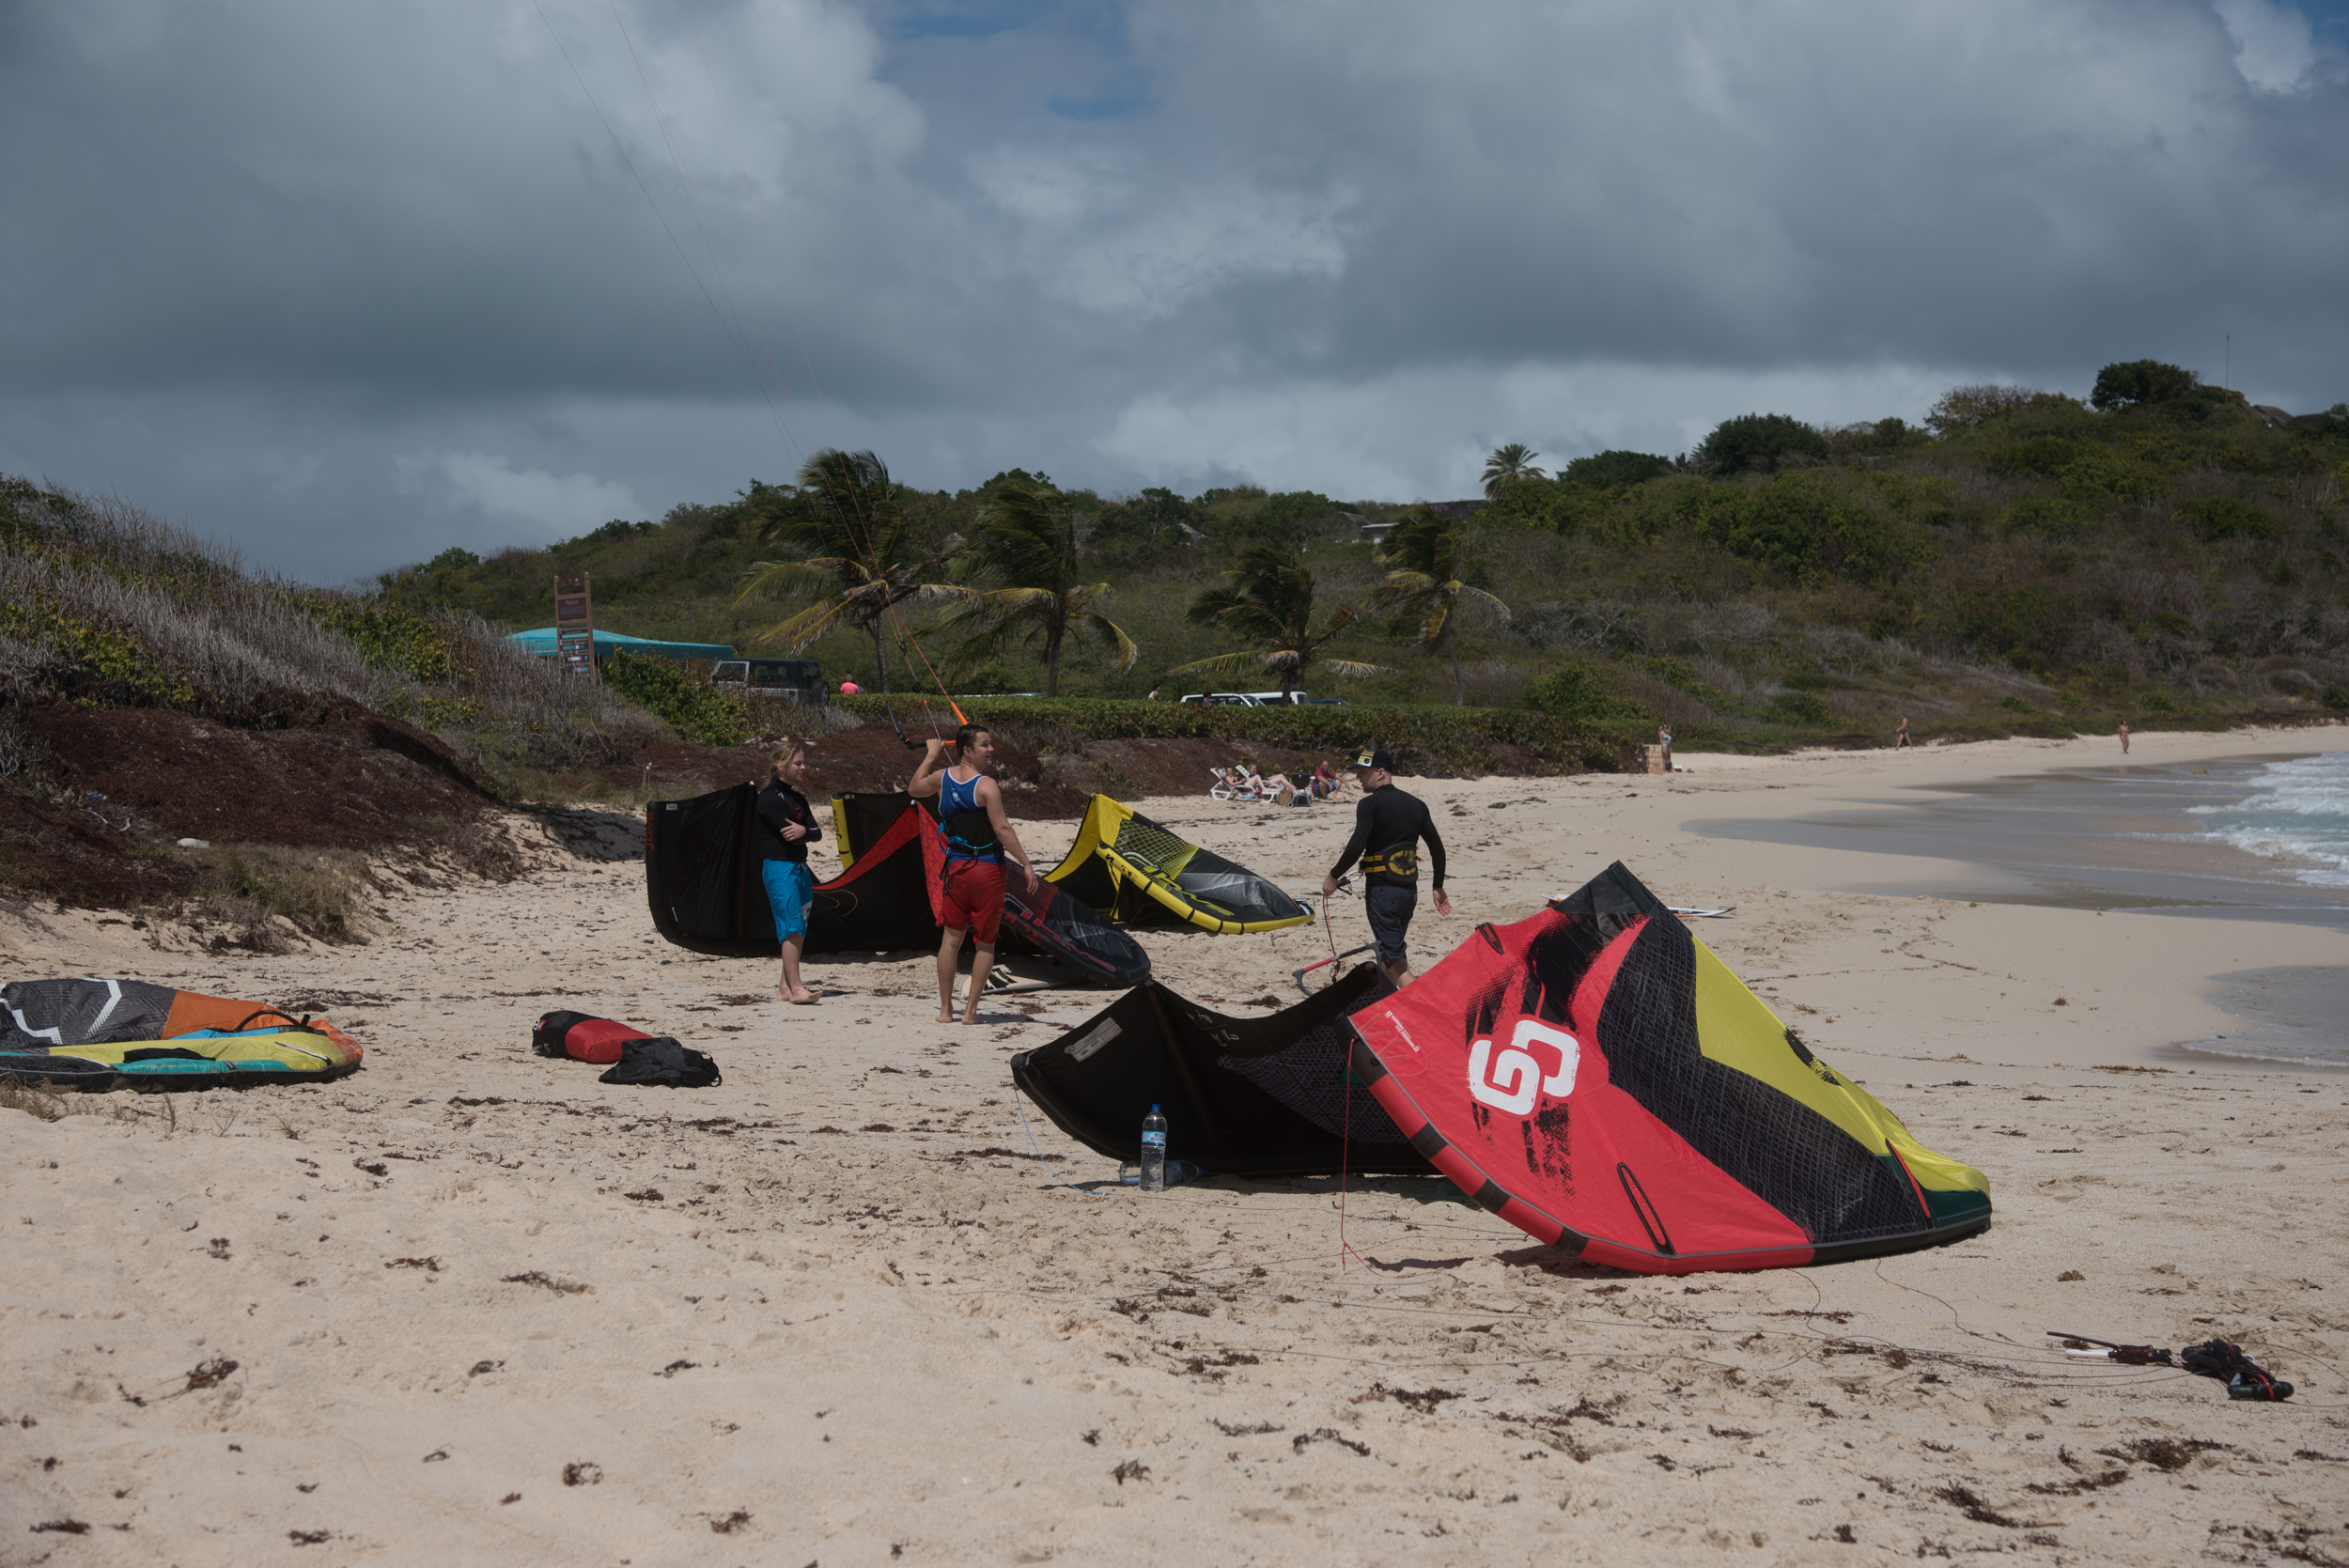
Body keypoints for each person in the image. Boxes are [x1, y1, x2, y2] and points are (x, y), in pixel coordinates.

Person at [910, 725, 1038, 1024]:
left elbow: (914, 788)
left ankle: (945, 1011)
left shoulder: (942, 779)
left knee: (950, 940)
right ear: (967, 750)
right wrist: (1026, 863)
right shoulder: (986, 786)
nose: (991, 749)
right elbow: (1002, 829)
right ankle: (970, 1012)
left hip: (957, 870)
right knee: (985, 943)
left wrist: (930, 756)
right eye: (985, 745)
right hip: (987, 870)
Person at [1321, 746, 1451, 987]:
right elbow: (1438, 849)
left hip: (1383, 894)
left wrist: (1333, 876)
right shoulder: (1417, 805)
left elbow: (1355, 846)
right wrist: (1438, 886)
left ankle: (1424, 1012)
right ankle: (1386, 1003)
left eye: (1363, 772)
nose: (1358, 777)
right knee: (1389, 955)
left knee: (1397, 962)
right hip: (1408, 894)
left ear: (1380, 773)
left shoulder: (1369, 804)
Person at [754, 738, 823, 1004]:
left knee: (800, 927)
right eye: (798, 763)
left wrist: (804, 830)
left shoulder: (797, 797)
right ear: (782, 765)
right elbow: (788, 834)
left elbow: (814, 832)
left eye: (803, 762)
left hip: (800, 868)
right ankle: (797, 990)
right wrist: (804, 832)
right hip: (779, 868)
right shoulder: (769, 797)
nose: (803, 767)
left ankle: (785, 987)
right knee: (790, 926)